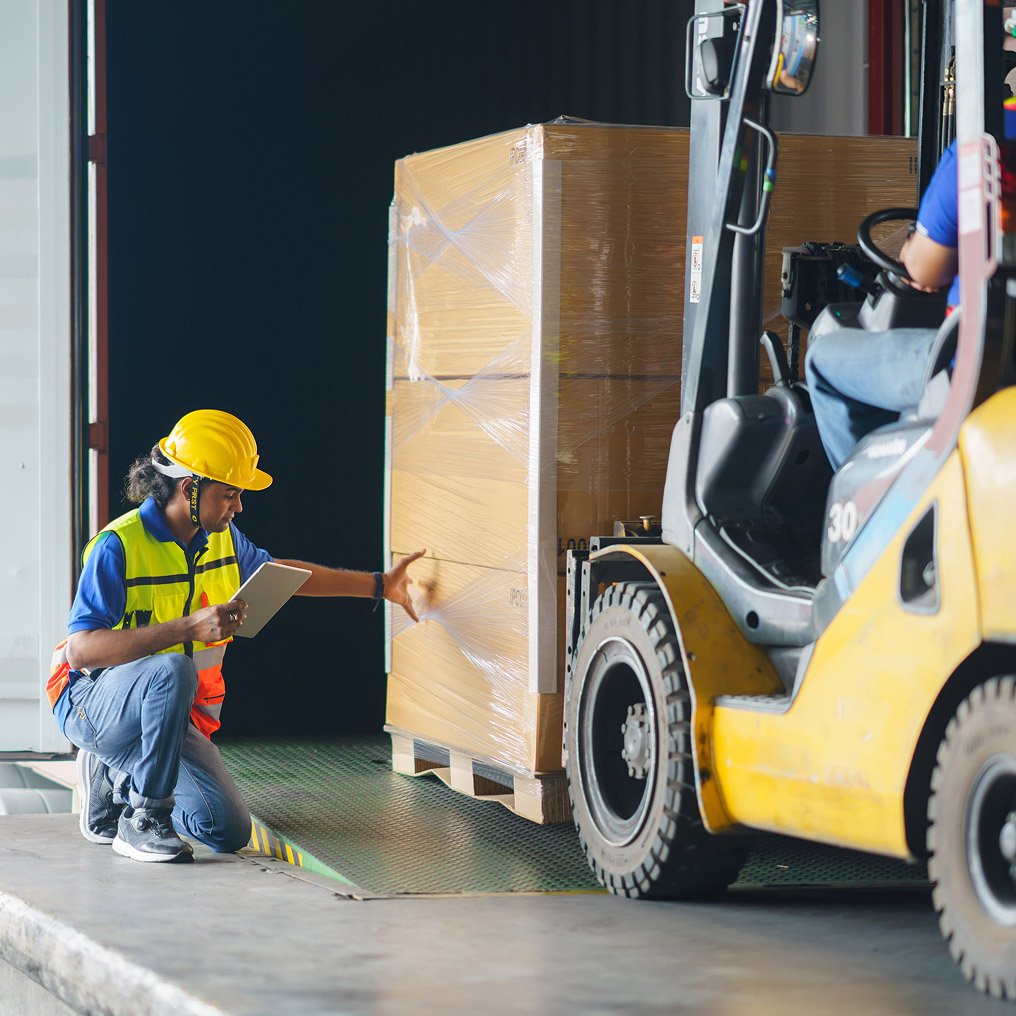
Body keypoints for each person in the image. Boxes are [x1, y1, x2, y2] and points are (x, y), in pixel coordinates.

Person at [47, 409, 423, 863]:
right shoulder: (119, 546)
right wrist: (189, 628)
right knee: (172, 666)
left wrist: (380, 585)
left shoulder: (221, 538)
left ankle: (120, 778)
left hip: (167, 719)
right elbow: (82, 649)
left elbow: (284, 576)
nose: (238, 506)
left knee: (225, 830)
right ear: (189, 489)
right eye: (229, 495)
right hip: (89, 706)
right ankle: (142, 819)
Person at [804, 141, 958, 471]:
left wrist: (916, 247)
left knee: (823, 359)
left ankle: (863, 511)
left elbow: (922, 270)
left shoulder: (983, 148)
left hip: (974, 361)